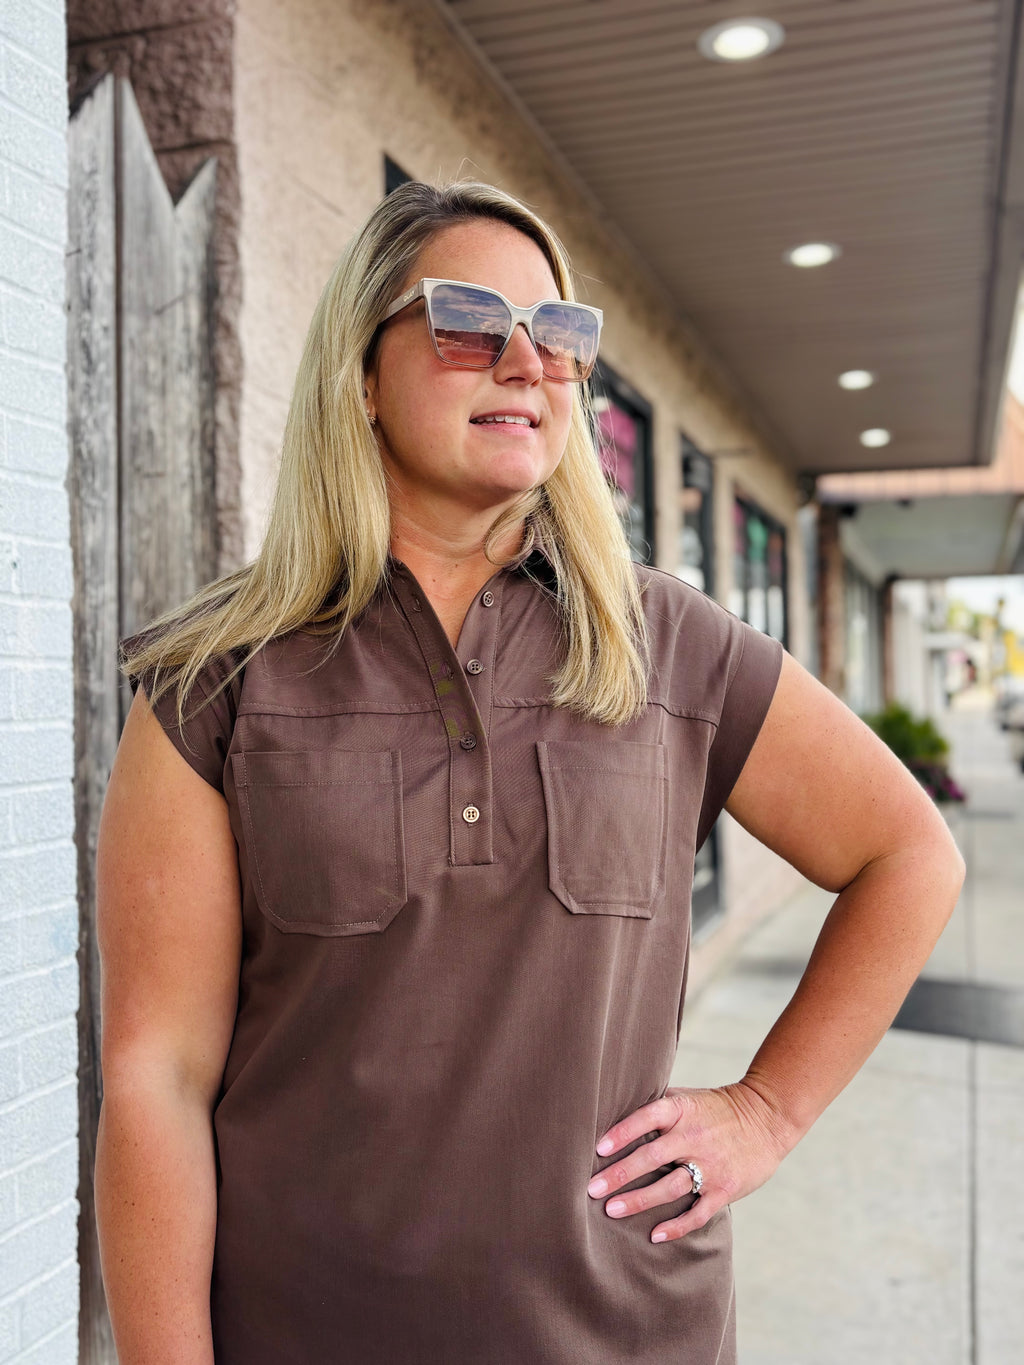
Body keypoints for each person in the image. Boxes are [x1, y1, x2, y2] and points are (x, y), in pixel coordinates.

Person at [95, 180, 965, 1365]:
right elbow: (157, 1076)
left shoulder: (666, 643)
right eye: (466, 322)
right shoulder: (219, 680)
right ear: (360, 371)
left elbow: (906, 854)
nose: (526, 363)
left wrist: (765, 1112)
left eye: (559, 335)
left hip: (626, 1336)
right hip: (303, 1331)